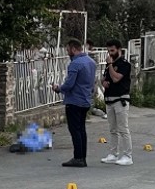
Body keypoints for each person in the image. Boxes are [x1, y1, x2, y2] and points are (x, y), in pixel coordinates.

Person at [52, 38, 97, 167]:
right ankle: (82, 156)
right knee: (81, 129)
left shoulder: (75, 64)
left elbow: (70, 84)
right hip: (85, 100)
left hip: (74, 101)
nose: (67, 52)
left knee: (75, 130)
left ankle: (78, 157)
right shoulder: (91, 62)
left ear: (73, 49)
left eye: (67, 50)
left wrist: (58, 88)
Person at [100, 39, 133, 166]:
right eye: (108, 51)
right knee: (112, 129)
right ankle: (113, 154)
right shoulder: (110, 64)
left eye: (112, 50)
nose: (110, 53)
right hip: (109, 100)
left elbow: (116, 78)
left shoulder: (124, 64)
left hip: (120, 100)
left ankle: (127, 155)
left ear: (119, 50)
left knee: (123, 129)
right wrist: (103, 82)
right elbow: (104, 78)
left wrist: (110, 66)